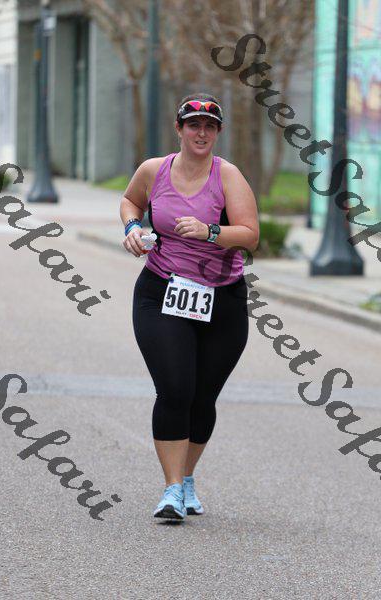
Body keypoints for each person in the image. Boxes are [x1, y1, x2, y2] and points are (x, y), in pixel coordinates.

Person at [119, 93, 259, 521]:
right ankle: (172, 489)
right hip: (161, 291)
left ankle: (187, 478)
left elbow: (250, 235)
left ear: (218, 132)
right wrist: (132, 227)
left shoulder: (227, 176)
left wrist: (210, 231)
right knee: (175, 389)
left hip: (222, 299)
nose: (201, 133)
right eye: (194, 124)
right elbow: (130, 201)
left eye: (210, 126)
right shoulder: (154, 170)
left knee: (202, 398)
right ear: (179, 128)